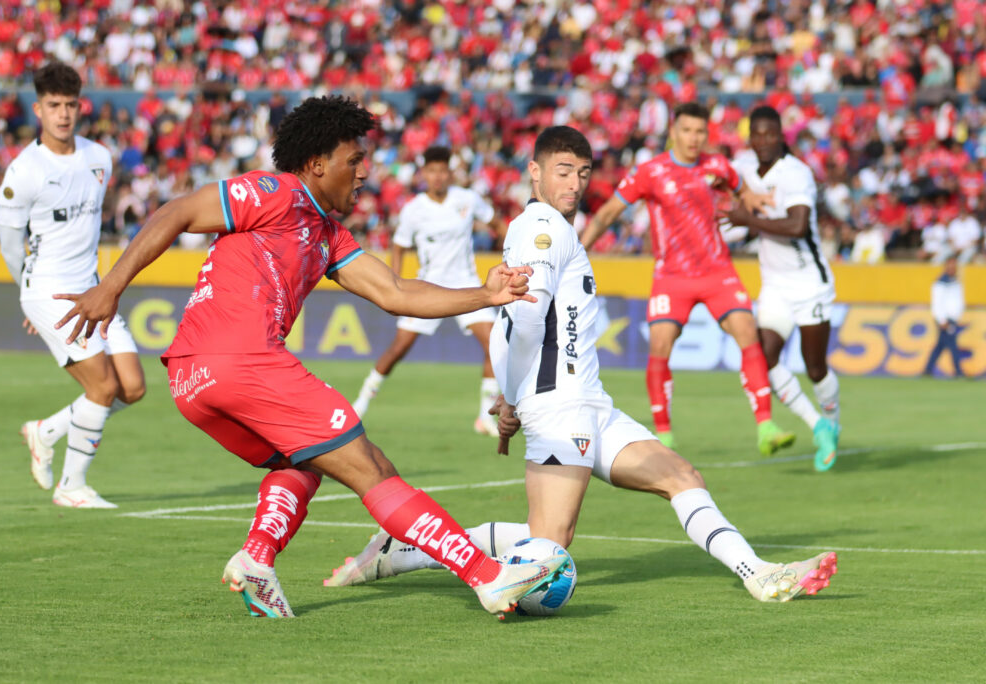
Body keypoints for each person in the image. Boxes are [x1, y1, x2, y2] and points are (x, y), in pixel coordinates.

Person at [54, 95, 568, 620]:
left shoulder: (326, 233)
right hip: (244, 360)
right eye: (354, 160)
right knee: (371, 469)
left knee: (299, 462)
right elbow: (178, 210)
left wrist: (484, 296)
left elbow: (395, 292)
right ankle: (489, 578)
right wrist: (112, 284)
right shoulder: (275, 191)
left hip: (191, 380)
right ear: (318, 163)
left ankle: (257, 558)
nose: (364, 172)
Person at [325, 126, 838, 604]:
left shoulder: (556, 228)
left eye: (583, 172)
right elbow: (523, 321)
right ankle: (407, 551)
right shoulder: (541, 229)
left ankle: (759, 573)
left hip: (591, 402)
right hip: (557, 408)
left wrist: (508, 395)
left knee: (680, 475)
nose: (575, 183)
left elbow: (512, 322)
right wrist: (514, 397)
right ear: (535, 171)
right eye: (564, 170)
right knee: (547, 549)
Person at [580, 102, 795, 456]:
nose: (694, 139)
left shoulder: (716, 165)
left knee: (747, 333)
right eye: (687, 131)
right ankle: (664, 435)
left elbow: (742, 188)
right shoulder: (651, 172)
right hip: (672, 277)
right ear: (673, 133)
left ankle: (766, 427)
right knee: (660, 345)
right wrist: (579, 250)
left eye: (700, 132)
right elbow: (607, 213)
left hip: (717, 271)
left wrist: (750, 198)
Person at [0, 62, 146, 508]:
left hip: (92, 288)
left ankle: (45, 432)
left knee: (132, 388)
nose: (63, 114)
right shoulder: (24, 172)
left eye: (70, 105)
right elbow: (9, 246)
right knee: (101, 388)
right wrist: (31, 302)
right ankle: (71, 486)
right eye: (53, 105)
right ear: (38, 109)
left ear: (80, 107)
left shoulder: (99, 157)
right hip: (49, 289)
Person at [352, 146, 508, 436]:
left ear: (449, 172)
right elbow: (398, 245)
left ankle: (485, 416)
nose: (437, 176)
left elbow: (498, 225)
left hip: (467, 284)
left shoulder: (467, 199)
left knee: (496, 345)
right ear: (424, 174)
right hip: (428, 288)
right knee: (397, 350)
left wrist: (513, 252)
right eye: (431, 171)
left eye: (442, 170)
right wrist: (393, 283)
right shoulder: (414, 210)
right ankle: (359, 404)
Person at [724, 106, 842, 472]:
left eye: (770, 134)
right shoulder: (743, 169)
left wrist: (749, 220)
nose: (762, 141)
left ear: (781, 136)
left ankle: (832, 420)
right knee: (764, 356)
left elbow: (796, 226)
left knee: (815, 366)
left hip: (810, 285)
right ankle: (817, 426)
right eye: (756, 135)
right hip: (774, 285)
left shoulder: (796, 173)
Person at [923, 256, 966, 378]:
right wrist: (941, 320)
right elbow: (937, 303)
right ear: (946, 267)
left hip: (952, 318)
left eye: (954, 266)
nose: (953, 268)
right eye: (950, 266)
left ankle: (927, 370)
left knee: (940, 346)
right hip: (945, 320)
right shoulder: (941, 282)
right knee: (952, 345)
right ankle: (958, 371)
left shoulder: (956, 281)